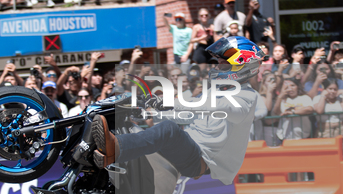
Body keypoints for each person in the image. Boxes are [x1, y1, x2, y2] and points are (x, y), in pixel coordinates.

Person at [92, 36, 264, 185]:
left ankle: (114, 148)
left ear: (241, 66)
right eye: (217, 63)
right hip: (190, 146)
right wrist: (147, 111)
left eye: (223, 64)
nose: (217, 67)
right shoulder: (216, 90)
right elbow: (187, 113)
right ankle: (105, 157)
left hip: (202, 159)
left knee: (169, 129)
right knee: (131, 127)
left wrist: (165, 101)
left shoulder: (247, 97)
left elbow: (213, 107)